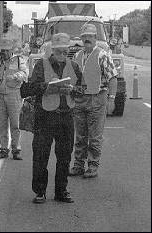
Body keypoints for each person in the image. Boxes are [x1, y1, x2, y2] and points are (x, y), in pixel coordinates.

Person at [20, 33, 84, 204]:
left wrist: (73, 90)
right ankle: (40, 191)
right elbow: (30, 88)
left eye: (65, 51)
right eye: (59, 51)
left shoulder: (75, 66)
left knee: (64, 156)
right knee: (41, 155)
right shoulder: (41, 65)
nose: (62, 55)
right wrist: (48, 88)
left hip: (66, 116)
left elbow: (82, 89)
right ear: (52, 50)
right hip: (45, 116)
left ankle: (61, 191)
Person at [69, 24, 117, 178]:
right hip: (80, 100)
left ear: (96, 37)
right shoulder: (77, 56)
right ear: (81, 38)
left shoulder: (102, 55)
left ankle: (93, 166)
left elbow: (112, 78)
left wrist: (112, 99)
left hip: (97, 99)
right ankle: (78, 165)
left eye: (90, 36)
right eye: (84, 36)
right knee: (80, 135)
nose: (87, 39)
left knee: (95, 136)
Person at [0, 38, 27, 160]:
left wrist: (16, 76)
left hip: (14, 93)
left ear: (11, 50)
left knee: (15, 123)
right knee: (1, 123)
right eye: (2, 51)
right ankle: (3, 148)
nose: (4, 54)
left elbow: (25, 73)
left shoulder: (18, 60)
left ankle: (16, 148)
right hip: (0, 94)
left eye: (7, 51)